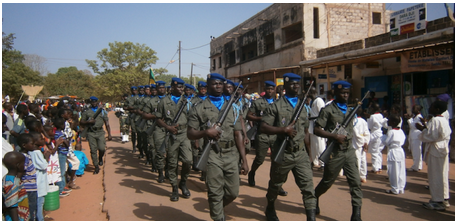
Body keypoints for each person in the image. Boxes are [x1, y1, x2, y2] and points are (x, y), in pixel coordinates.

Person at [187, 73, 249, 221]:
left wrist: (244, 159)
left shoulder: (232, 107)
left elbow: (237, 134)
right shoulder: (199, 108)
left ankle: (217, 209)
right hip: (212, 154)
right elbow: (190, 133)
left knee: (233, 192)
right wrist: (205, 132)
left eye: (220, 83)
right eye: (215, 84)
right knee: (215, 192)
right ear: (208, 86)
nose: (218, 86)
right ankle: (218, 216)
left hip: (231, 153)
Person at [259, 73, 316, 221]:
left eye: (297, 84)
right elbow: (263, 127)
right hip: (283, 153)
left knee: (308, 188)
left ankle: (311, 217)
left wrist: (310, 155)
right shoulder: (276, 106)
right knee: (276, 185)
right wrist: (283, 130)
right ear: (285, 87)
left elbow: (305, 132)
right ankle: (270, 207)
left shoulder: (303, 106)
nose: (295, 86)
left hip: (300, 153)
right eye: (292, 84)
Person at [313, 80, 363, 220]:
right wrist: (334, 136)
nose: (345, 95)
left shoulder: (350, 110)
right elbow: (317, 129)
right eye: (342, 93)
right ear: (335, 93)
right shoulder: (328, 110)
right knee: (327, 182)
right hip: (335, 152)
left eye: (347, 93)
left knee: (355, 183)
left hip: (349, 151)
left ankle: (356, 214)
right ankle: (315, 197)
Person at [246, 81, 287, 196]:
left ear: (275, 90)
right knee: (260, 158)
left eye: (272, 89)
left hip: (275, 135)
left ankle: (277, 185)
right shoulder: (258, 102)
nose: (270, 91)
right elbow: (249, 115)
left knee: (276, 160)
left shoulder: (278, 102)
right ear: (265, 89)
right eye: (268, 89)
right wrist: (262, 119)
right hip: (262, 134)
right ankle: (252, 172)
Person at [156, 77, 192, 202]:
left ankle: (183, 182)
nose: (181, 89)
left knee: (188, 160)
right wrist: (167, 127)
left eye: (183, 87)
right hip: (172, 135)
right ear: (172, 87)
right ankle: (174, 188)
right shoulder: (164, 101)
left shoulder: (187, 102)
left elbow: (192, 118)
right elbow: (158, 118)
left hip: (185, 134)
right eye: (179, 87)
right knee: (172, 163)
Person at [417, 100, 451, 211]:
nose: (429, 108)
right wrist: (426, 126)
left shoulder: (436, 120)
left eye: (431, 106)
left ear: (436, 109)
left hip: (436, 150)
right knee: (442, 174)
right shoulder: (444, 120)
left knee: (435, 175)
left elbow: (431, 135)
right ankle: (444, 197)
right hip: (442, 149)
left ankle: (438, 201)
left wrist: (422, 129)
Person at [80, 96, 112, 174]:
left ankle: (100, 158)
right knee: (93, 150)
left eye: (95, 102)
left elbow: (106, 123)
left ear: (97, 102)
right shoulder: (86, 111)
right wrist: (88, 122)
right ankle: (96, 166)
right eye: (92, 102)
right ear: (90, 103)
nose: (94, 103)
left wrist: (109, 134)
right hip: (91, 133)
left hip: (100, 132)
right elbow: (81, 122)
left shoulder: (102, 111)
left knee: (102, 148)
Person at [380, 114, 406, 195]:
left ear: (393, 122)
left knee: (393, 170)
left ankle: (395, 188)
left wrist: (384, 135)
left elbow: (386, 142)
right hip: (400, 151)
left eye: (389, 121)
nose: (388, 122)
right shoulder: (401, 131)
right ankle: (401, 187)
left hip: (393, 151)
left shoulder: (391, 132)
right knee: (401, 170)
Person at [2, 151, 30, 221]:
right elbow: (12, 205)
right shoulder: (12, 183)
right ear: (18, 165)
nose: (24, 165)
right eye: (23, 163)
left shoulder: (8, 178)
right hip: (16, 218)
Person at [29, 131, 50, 221]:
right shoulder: (36, 152)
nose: (43, 140)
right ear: (35, 141)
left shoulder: (31, 152)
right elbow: (44, 165)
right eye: (41, 138)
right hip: (39, 184)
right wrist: (46, 156)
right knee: (39, 205)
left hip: (36, 184)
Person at [18, 133, 38, 220]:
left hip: (31, 187)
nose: (34, 145)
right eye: (32, 144)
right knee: (31, 209)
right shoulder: (24, 157)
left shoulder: (26, 155)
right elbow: (21, 172)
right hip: (29, 188)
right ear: (24, 145)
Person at [308, 86, 327, 169]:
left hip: (317, 124)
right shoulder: (312, 101)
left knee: (320, 145)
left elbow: (322, 113)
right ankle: (315, 161)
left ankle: (323, 163)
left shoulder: (319, 101)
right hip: (311, 125)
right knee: (314, 145)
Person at [53, 118, 71, 197]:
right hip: (61, 154)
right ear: (61, 125)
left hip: (63, 154)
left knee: (63, 171)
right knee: (61, 172)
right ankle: (60, 189)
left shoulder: (59, 133)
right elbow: (66, 144)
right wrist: (66, 141)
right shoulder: (59, 134)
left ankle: (63, 187)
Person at [352, 108, 370, 183]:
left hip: (357, 143)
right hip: (362, 142)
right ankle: (363, 176)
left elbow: (356, 134)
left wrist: (362, 142)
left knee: (358, 159)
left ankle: (357, 176)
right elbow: (367, 133)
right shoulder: (363, 121)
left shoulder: (354, 121)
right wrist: (366, 141)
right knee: (363, 159)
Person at [367, 102, 385, 174]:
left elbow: (369, 126)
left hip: (374, 133)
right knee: (379, 151)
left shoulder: (372, 116)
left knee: (374, 151)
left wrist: (368, 119)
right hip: (380, 133)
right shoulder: (381, 115)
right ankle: (379, 167)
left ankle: (375, 168)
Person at [404, 105, 423, 172]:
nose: (412, 110)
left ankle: (416, 166)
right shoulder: (415, 117)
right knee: (417, 152)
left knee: (416, 152)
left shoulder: (419, 117)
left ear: (418, 110)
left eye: (414, 109)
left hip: (416, 136)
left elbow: (413, 126)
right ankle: (418, 165)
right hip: (413, 135)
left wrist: (409, 119)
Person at [124, 86, 139, 153]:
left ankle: (139, 145)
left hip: (139, 116)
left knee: (140, 131)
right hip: (132, 115)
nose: (134, 91)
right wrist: (129, 109)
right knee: (133, 131)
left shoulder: (140, 97)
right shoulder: (129, 98)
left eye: (135, 90)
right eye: (133, 90)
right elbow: (125, 106)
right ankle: (133, 146)